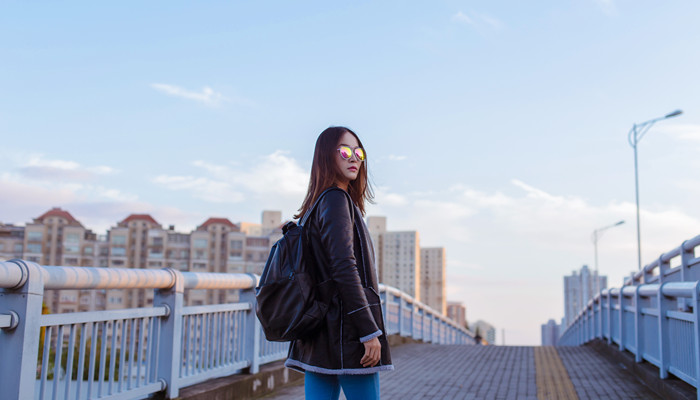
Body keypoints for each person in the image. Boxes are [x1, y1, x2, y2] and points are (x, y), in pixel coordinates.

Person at [285, 126, 393, 400]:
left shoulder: (317, 204)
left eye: (358, 152)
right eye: (345, 151)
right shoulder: (335, 200)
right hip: (345, 330)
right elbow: (344, 267)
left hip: (320, 331)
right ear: (325, 156)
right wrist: (369, 331)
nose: (354, 157)